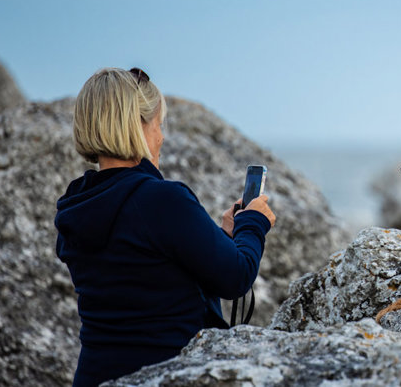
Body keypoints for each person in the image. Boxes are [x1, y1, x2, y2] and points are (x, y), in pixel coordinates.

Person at [54, 67, 276, 387]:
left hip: (95, 376)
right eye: (158, 124)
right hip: (163, 373)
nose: (161, 137)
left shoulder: (76, 205)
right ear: (139, 126)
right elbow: (236, 277)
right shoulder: (161, 199)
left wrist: (224, 237)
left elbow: (150, 274)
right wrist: (253, 223)